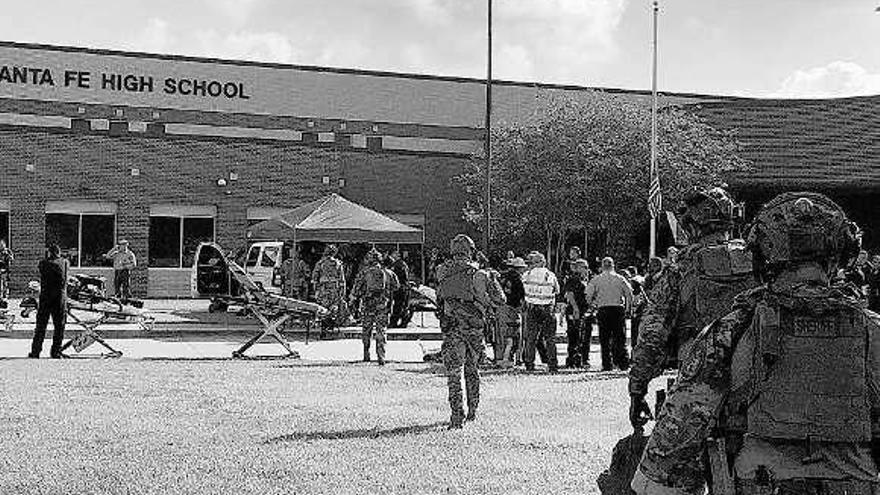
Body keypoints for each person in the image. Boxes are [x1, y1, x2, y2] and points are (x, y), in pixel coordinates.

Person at [631, 192, 880, 495]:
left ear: (764, 256)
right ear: (841, 257)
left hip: (760, 479)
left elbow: (669, 449)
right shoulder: (872, 329)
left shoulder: (730, 331)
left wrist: (638, 386)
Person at [628, 187, 756, 430]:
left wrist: (637, 389)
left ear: (691, 225)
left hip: (700, 381)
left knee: (659, 463)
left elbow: (652, 335)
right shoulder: (760, 262)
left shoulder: (681, 268)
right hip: (758, 382)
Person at [436, 234, 492, 429]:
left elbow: (440, 293)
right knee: (472, 370)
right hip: (474, 331)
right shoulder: (480, 274)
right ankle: (473, 409)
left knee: (453, 372)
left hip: (452, 328)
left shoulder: (442, 270)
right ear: (471, 251)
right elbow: (498, 298)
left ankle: (456, 414)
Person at [349, 249, 398, 365]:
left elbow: (356, 289)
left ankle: (366, 353)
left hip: (368, 305)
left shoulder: (364, 273)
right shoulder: (388, 273)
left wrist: (352, 299)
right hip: (382, 305)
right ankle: (381, 356)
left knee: (366, 329)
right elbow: (396, 287)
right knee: (381, 330)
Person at [584, 257, 633, 371]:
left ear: (602, 266)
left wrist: (593, 305)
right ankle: (623, 363)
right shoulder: (620, 278)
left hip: (603, 310)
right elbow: (629, 294)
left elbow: (587, 294)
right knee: (620, 338)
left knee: (604, 339)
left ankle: (607, 364)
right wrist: (628, 309)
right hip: (618, 309)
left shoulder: (597, 279)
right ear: (613, 265)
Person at [521, 251, 560, 373]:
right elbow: (557, 290)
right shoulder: (550, 275)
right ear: (543, 262)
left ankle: (529, 363)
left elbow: (523, 290)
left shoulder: (527, 274)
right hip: (547, 308)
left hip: (532, 308)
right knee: (550, 338)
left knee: (531, 337)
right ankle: (552, 364)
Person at [29, 245, 69, 358]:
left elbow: (42, 270)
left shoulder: (43, 263)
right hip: (60, 297)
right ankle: (55, 351)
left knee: (41, 326)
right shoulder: (65, 262)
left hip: (46, 297)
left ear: (49, 253)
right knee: (59, 326)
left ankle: (35, 351)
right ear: (59, 252)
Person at [475, 251, 506, 364]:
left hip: (480, 307)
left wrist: (489, 304)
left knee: (481, 334)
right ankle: (488, 357)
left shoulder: (480, 274)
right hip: (488, 308)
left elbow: (481, 294)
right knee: (490, 334)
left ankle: (481, 356)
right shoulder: (490, 274)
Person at [496, 256, 526, 367]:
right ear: (519, 268)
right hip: (513, 309)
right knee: (514, 336)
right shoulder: (518, 280)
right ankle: (512, 359)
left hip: (502, 308)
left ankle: (500, 358)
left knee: (502, 335)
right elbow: (522, 297)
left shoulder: (502, 278)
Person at [312, 244, 348, 331]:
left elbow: (314, 279)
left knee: (323, 308)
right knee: (334, 307)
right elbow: (342, 280)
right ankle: (331, 326)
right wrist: (342, 292)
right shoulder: (338, 264)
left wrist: (316, 290)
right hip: (334, 288)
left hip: (323, 289)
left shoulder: (320, 263)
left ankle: (324, 328)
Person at [563, 258, 591, 368]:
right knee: (574, 335)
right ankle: (572, 359)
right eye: (585, 267)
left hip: (585, 311)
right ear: (578, 268)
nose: (587, 269)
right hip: (575, 310)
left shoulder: (586, 279)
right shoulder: (573, 279)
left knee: (584, 336)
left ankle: (582, 359)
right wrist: (575, 309)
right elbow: (570, 295)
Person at [388, 249, 411, 328]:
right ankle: (403, 322)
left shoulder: (397, 265)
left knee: (398, 306)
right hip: (404, 287)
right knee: (402, 306)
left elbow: (398, 277)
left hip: (400, 288)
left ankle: (394, 322)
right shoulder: (402, 264)